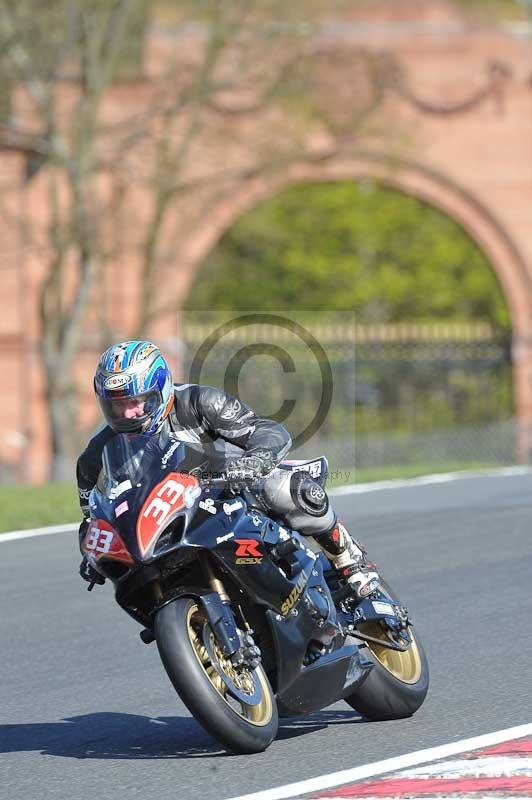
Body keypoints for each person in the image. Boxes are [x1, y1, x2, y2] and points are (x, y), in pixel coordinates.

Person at [77, 340, 380, 599]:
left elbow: (264, 429)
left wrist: (257, 459)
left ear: (160, 388)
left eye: (137, 402)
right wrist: (93, 551)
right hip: (172, 520)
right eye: (117, 406)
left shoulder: (200, 401)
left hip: (235, 491)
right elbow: (93, 514)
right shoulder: (97, 455)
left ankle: (346, 556)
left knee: (281, 487)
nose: (128, 413)